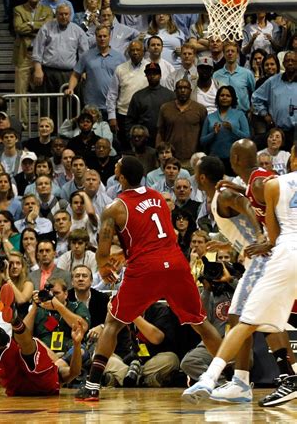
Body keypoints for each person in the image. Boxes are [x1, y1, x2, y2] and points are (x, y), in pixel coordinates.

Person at [75, 156, 222, 401]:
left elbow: (102, 253)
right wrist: (126, 252)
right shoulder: (157, 196)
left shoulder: (115, 207)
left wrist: (103, 267)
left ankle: (91, 385)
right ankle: (228, 378)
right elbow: (159, 234)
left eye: (117, 167)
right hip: (175, 262)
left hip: (145, 268)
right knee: (200, 323)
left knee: (112, 323)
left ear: (121, 177)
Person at [183, 147, 297, 406]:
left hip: (267, 259)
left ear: (201, 177)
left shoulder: (225, 194)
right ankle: (273, 377)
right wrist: (225, 244)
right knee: (259, 321)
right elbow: (246, 219)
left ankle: (240, 382)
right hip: (263, 257)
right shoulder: (229, 192)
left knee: (244, 319)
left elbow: (248, 207)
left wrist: (261, 237)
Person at [0, 276, 86, 396]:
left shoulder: (75, 307)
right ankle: (9, 319)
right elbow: (74, 372)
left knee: (3, 343)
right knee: (21, 348)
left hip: (17, 384)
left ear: (66, 294)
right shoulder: (58, 375)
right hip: (40, 382)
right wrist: (76, 344)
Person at [65, 25, 126, 119]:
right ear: (95, 37)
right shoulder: (86, 55)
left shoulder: (120, 57)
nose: (102, 39)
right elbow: (75, 75)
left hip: (112, 106)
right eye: (99, 36)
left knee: (111, 133)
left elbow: (125, 79)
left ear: (110, 37)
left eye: (105, 36)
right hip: (91, 106)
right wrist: (70, 88)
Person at [200, 85, 250, 174]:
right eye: (222, 95)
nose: (224, 98)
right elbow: (202, 141)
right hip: (214, 160)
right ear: (218, 97)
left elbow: (247, 137)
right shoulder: (210, 117)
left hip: (234, 160)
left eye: (228, 96)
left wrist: (233, 129)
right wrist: (213, 133)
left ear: (232, 98)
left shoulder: (239, 115)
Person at [156, 79, 208, 165]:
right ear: (175, 91)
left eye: (185, 88)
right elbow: (160, 133)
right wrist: (158, 154)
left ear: (190, 90)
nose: (183, 90)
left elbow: (204, 135)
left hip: (192, 159)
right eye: (180, 88)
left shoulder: (200, 109)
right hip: (170, 159)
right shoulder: (165, 108)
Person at [106, 40, 148, 145]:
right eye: (132, 50)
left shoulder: (150, 68)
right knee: (125, 146)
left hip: (144, 115)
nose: (135, 52)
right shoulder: (120, 69)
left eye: (138, 50)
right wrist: (112, 117)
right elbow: (112, 95)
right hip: (124, 115)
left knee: (144, 146)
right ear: (128, 52)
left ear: (143, 52)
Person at [125, 62, 175, 146]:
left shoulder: (170, 95)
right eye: (149, 74)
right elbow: (130, 120)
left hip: (165, 139)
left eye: (155, 73)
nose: (152, 76)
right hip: (143, 141)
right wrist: (131, 138)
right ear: (146, 76)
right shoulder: (138, 96)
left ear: (160, 75)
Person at [213, 41, 255, 114]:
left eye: (233, 51)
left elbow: (254, 94)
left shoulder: (247, 74)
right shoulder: (216, 75)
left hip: (243, 113)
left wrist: (251, 110)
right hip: (223, 114)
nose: (230, 53)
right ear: (223, 54)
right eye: (227, 51)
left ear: (237, 54)